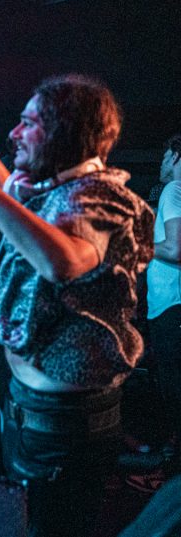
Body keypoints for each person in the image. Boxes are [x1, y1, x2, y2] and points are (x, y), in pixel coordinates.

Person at [0, 75, 153, 537]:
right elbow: (20, 206)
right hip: (39, 413)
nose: (15, 133)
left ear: (64, 132)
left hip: (64, 427)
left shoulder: (97, 195)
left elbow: (65, 261)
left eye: (28, 122)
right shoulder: (61, 190)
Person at [146, 133, 181, 468]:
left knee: (172, 387)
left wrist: (136, 249)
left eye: (163, 155)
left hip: (171, 304)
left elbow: (175, 248)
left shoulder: (173, 190)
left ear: (174, 155)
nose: (160, 163)